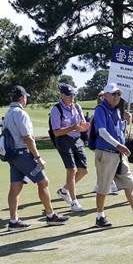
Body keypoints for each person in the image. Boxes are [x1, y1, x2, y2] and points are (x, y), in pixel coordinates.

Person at [2, 86, 70, 229]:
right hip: (23, 154)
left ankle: (13, 221)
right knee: (43, 182)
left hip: (13, 155)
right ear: (22, 98)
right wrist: (38, 157)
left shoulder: (8, 113)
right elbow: (27, 137)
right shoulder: (20, 113)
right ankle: (50, 216)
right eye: (25, 97)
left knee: (15, 187)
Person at [91, 83, 133, 227]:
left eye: (119, 94)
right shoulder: (100, 109)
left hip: (119, 154)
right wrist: (118, 145)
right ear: (106, 95)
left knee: (129, 184)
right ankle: (99, 217)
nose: (117, 97)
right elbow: (102, 132)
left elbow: (118, 130)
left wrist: (125, 121)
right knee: (103, 187)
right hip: (107, 153)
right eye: (114, 94)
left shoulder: (117, 110)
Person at [49, 83, 90, 212]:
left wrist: (86, 126)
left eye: (73, 95)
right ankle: (74, 202)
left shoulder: (77, 107)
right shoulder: (56, 109)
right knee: (71, 170)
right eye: (69, 95)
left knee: (83, 170)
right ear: (62, 95)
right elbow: (56, 132)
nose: (72, 98)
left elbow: (82, 124)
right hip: (63, 140)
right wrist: (73, 127)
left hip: (77, 139)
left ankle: (64, 190)